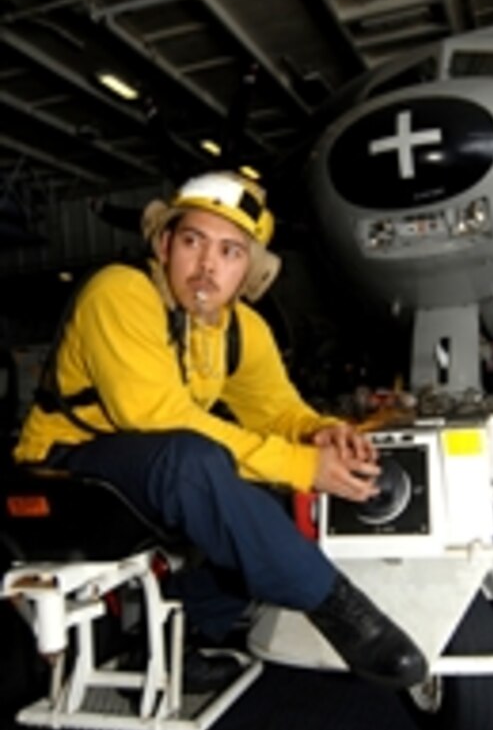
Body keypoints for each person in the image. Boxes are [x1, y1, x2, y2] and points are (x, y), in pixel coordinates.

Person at [14, 171, 427, 691]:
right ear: (165, 245)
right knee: (194, 460)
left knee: (266, 506)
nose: (208, 266)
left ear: (250, 270)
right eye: (193, 242)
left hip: (145, 471)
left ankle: (180, 642)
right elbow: (155, 415)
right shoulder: (119, 293)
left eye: (231, 252)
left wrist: (321, 433)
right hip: (64, 468)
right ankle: (340, 611)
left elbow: (276, 410)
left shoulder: (241, 328)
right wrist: (300, 466)